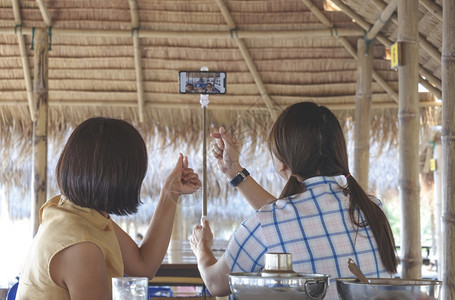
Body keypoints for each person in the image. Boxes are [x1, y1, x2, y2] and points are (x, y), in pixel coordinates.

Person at [190, 102, 398, 299]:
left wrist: (202, 248)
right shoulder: (372, 209)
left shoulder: (266, 224)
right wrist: (233, 170)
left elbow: (216, 284)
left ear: (281, 163)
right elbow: (291, 221)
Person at [17, 117, 201, 300]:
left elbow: (143, 266)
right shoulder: (82, 247)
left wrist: (170, 192)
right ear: (122, 178)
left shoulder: (72, 212)